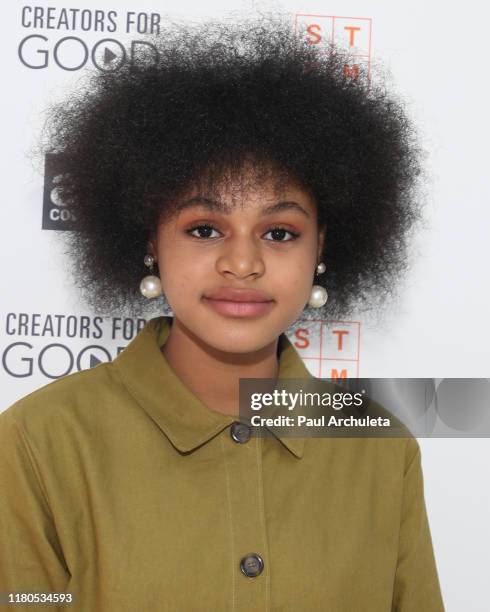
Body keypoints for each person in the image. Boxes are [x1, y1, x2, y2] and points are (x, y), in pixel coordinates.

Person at [0, 14, 444, 611]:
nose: (243, 262)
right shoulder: (39, 441)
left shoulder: (382, 448)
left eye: (280, 232)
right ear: (151, 240)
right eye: (205, 228)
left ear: (323, 249)